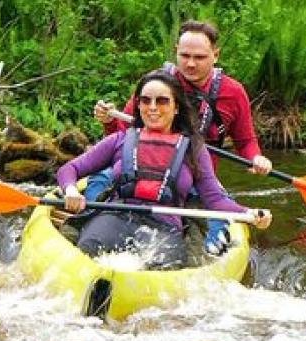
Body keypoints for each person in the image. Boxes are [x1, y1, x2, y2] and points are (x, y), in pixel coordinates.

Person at [91, 20, 273, 254]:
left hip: (195, 180)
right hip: (138, 170)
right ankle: (88, 223)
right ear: (176, 50)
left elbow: (246, 142)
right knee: (98, 181)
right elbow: (122, 137)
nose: (190, 63)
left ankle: (207, 256)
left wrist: (256, 157)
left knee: (216, 232)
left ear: (215, 55)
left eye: (199, 57)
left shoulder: (233, 92)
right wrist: (108, 122)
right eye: (185, 55)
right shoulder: (154, 86)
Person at [58, 70, 271, 269]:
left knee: (161, 267)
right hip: (115, 216)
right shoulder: (120, 139)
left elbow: (215, 200)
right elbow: (70, 169)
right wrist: (71, 190)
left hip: (163, 227)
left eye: (162, 101)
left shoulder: (193, 150)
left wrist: (249, 213)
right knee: (88, 250)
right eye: (145, 100)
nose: (152, 107)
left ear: (176, 106)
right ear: (138, 105)